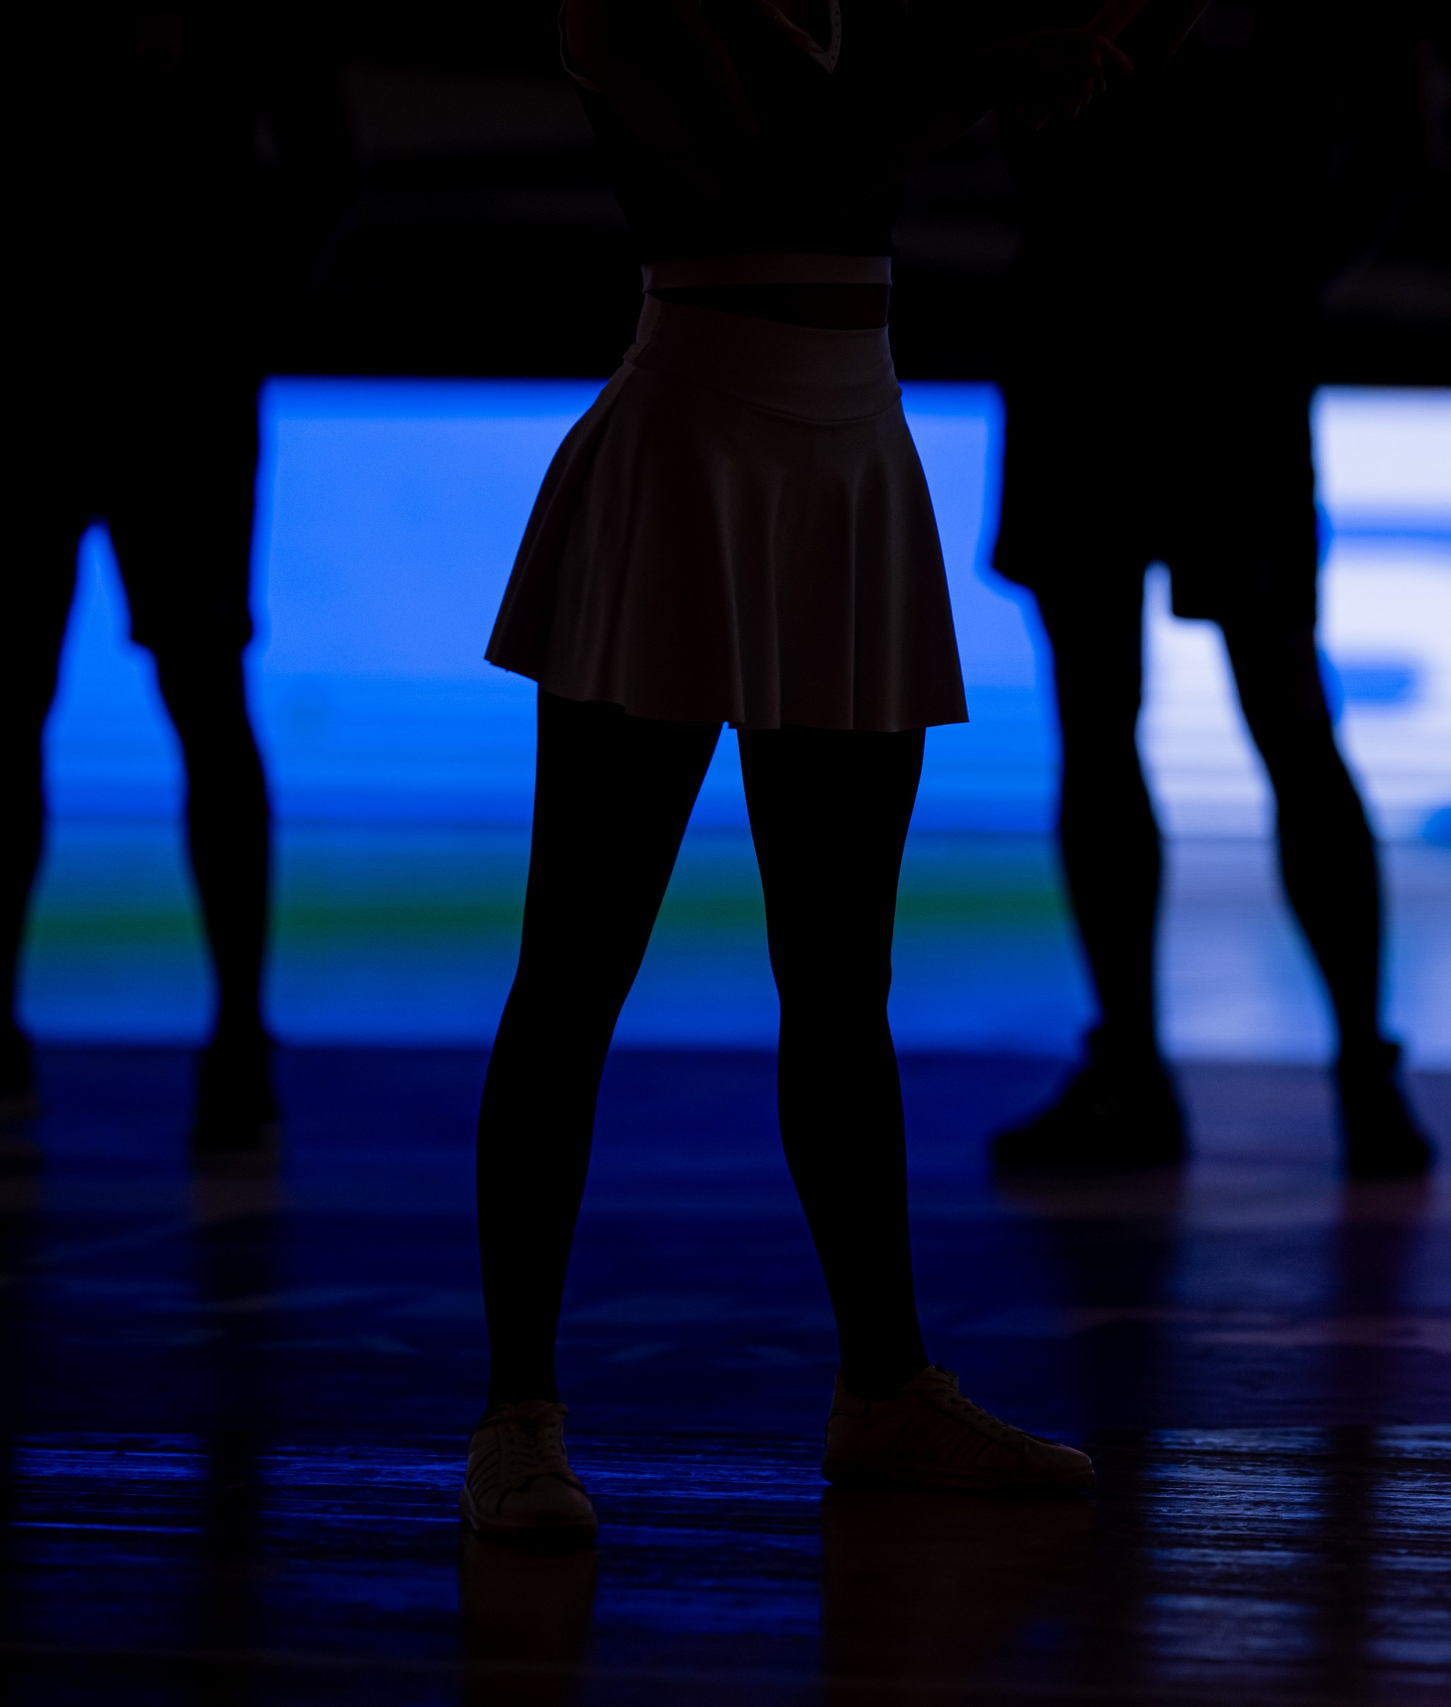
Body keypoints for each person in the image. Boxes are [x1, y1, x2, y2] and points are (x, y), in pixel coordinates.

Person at [461, 0, 1129, 1542]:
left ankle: (883, 1386)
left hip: (842, 444)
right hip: (692, 448)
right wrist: (986, 62)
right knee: (576, 963)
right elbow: (765, 184)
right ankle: (516, 1416)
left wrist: (1028, 57)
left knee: (841, 978)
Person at [986, 0, 1436, 1179]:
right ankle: (1201, 1071)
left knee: (1241, 721)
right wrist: (1278, 283)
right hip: (1124, 363)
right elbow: (1398, 134)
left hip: (1167, 367)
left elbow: (1395, 129)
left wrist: (1276, 282)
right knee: (1175, 723)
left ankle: (1316, 1071)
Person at [0, 6, 351, 1156]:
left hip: (119, 380)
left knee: (156, 704)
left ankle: (215, 1041)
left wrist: (236, 327)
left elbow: (321, 158)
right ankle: (60, 1036)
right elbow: (320, 160)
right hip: (62, 375)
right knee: (61, 706)